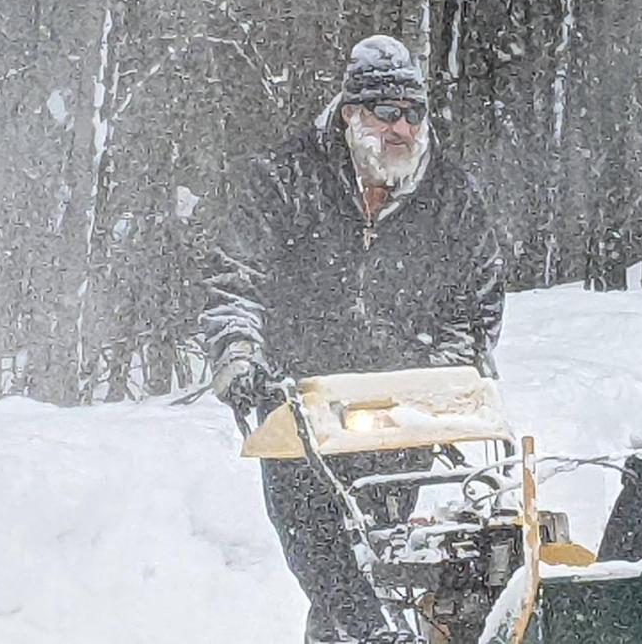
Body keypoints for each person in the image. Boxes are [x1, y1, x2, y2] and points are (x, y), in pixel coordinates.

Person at [199, 35, 505, 643]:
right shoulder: (286, 178)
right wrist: (239, 354)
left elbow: (478, 296)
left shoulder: (450, 194)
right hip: (300, 400)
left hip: (404, 402)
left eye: (413, 113)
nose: (402, 129)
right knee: (320, 543)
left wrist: (444, 369)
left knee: (382, 550)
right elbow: (235, 277)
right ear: (349, 114)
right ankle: (370, 632)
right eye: (386, 112)